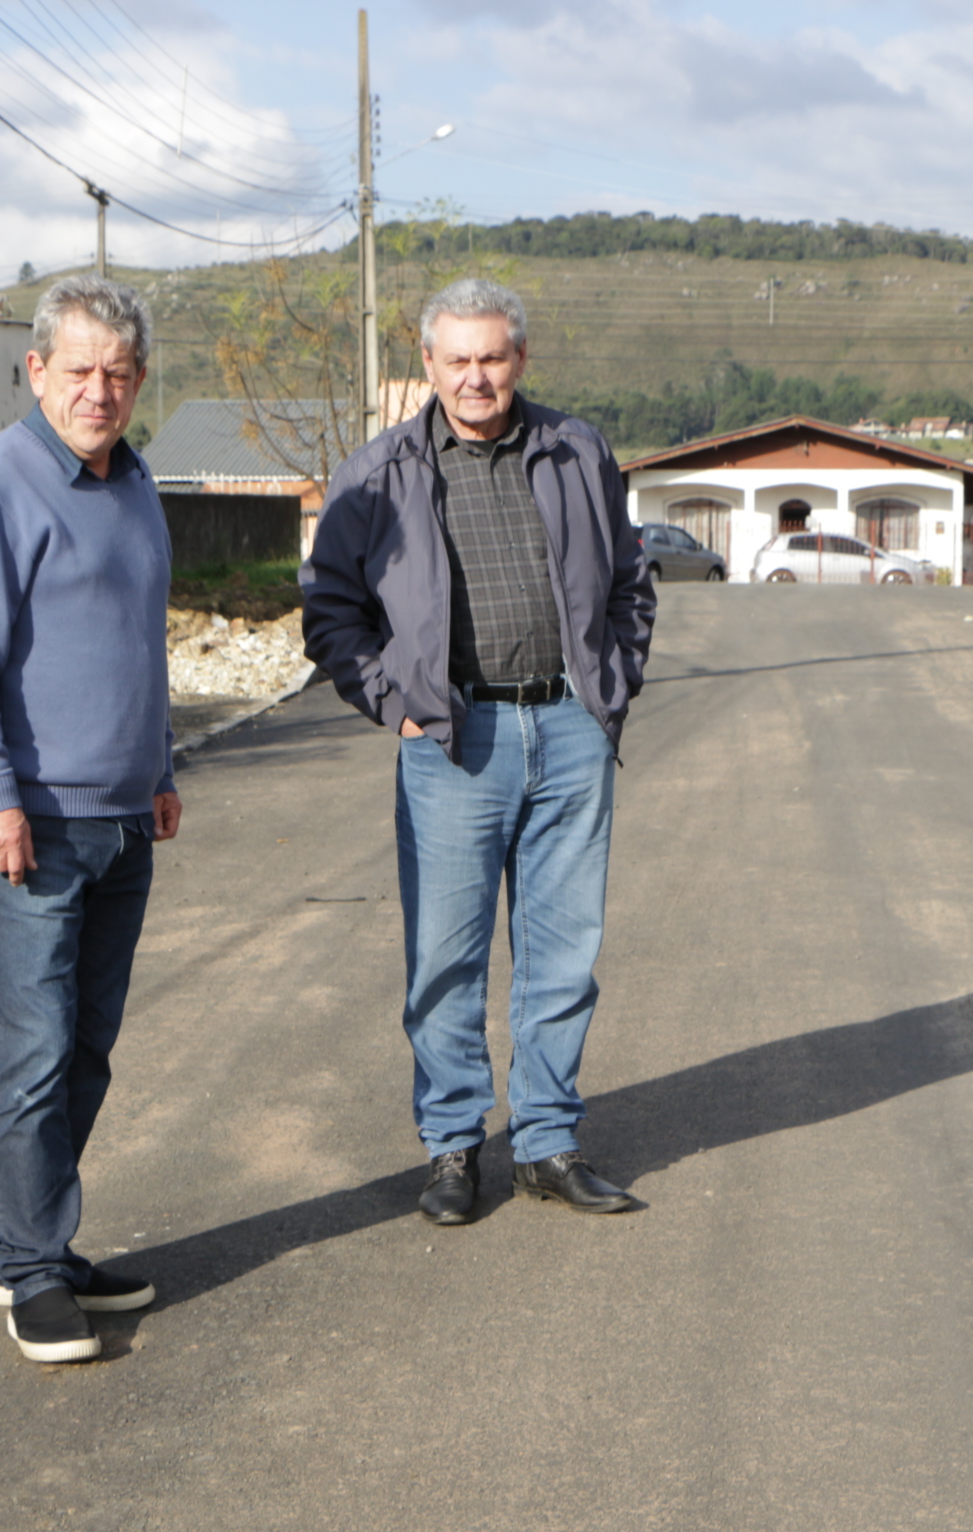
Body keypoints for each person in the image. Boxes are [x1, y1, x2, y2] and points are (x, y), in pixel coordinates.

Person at [301, 278, 656, 1224]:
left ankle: (546, 1142)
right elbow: (330, 611)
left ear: (521, 360)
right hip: (454, 739)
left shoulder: (577, 450)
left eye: (491, 358)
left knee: (563, 953)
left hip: (570, 731)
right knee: (445, 960)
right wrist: (394, 701)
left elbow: (629, 580)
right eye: (455, 360)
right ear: (428, 365)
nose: (475, 378)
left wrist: (612, 681)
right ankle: (454, 1148)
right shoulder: (379, 471)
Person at [0, 276, 180, 1364]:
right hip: (30, 824)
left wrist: (159, 766)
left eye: (118, 374)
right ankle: (31, 1269)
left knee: (86, 1050)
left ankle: (29, 1240)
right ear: (36, 372)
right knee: (29, 1054)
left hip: (122, 816)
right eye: (78, 371)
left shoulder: (136, 484)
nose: (98, 392)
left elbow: (138, 644)